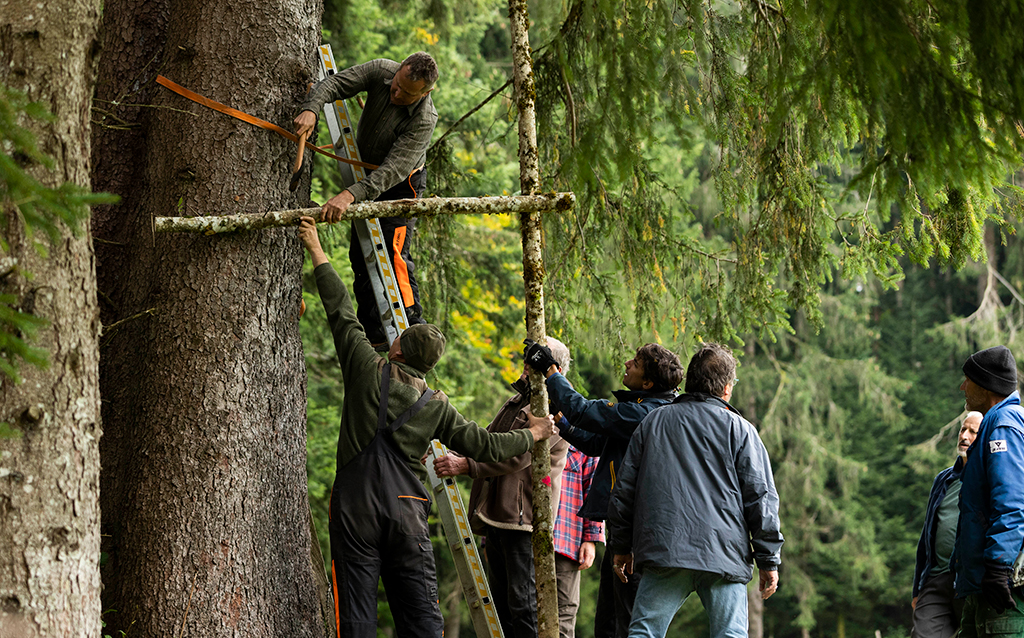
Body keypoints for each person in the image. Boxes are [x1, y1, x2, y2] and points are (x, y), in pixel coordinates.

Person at [297, 216, 556, 638]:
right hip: (406, 507)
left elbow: (341, 309)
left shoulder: (366, 367)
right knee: (420, 618)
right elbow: (487, 446)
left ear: (399, 347)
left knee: (356, 613)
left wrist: (315, 245)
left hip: (355, 505)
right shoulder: (437, 406)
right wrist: (535, 433)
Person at [606, 342, 782, 638]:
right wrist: (768, 560)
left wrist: (622, 547)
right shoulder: (741, 430)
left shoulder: (653, 422)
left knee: (644, 632)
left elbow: (624, 492)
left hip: (664, 552)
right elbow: (761, 499)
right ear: (726, 388)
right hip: (724, 556)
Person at [524, 340, 683, 638]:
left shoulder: (645, 414)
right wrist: (559, 414)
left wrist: (550, 371)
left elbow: (586, 411)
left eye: (634, 363)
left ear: (648, 382)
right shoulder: (643, 408)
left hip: (639, 534)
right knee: (609, 622)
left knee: (629, 621)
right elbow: (596, 442)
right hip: (625, 530)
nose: (627, 364)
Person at [432, 338, 573, 638]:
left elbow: (518, 456)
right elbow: (489, 440)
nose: (524, 369)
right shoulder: (516, 401)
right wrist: (455, 454)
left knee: (524, 607)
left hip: (523, 523)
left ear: (553, 369)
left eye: (531, 365)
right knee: (502, 607)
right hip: (499, 517)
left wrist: (466, 466)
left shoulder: (555, 411)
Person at [294, 52, 439, 345]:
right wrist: (311, 108)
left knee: (394, 254)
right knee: (361, 256)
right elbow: (333, 85)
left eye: (407, 95)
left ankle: (412, 328)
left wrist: (349, 195)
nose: (396, 94)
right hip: (367, 174)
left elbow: (393, 170)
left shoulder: (424, 119)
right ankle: (375, 334)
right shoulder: (380, 70)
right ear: (398, 70)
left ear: (425, 92)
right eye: (395, 86)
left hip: (400, 185)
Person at [952, 345, 1024, 637]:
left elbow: (1012, 500)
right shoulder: (995, 423)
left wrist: (997, 566)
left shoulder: (1004, 426)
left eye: (968, 380)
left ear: (986, 385)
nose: (963, 387)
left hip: (1003, 587)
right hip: (982, 585)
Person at [911, 411, 982, 638]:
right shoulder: (943, 479)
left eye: (973, 431)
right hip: (936, 580)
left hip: (972, 581)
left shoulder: (990, 475)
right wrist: (917, 587)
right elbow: (927, 535)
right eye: (963, 429)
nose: (965, 435)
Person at [553, 443, 604, 638]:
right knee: (523, 610)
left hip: (566, 540)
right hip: (522, 539)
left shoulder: (583, 433)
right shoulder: (525, 424)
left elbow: (594, 487)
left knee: (564, 612)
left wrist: (591, 538)